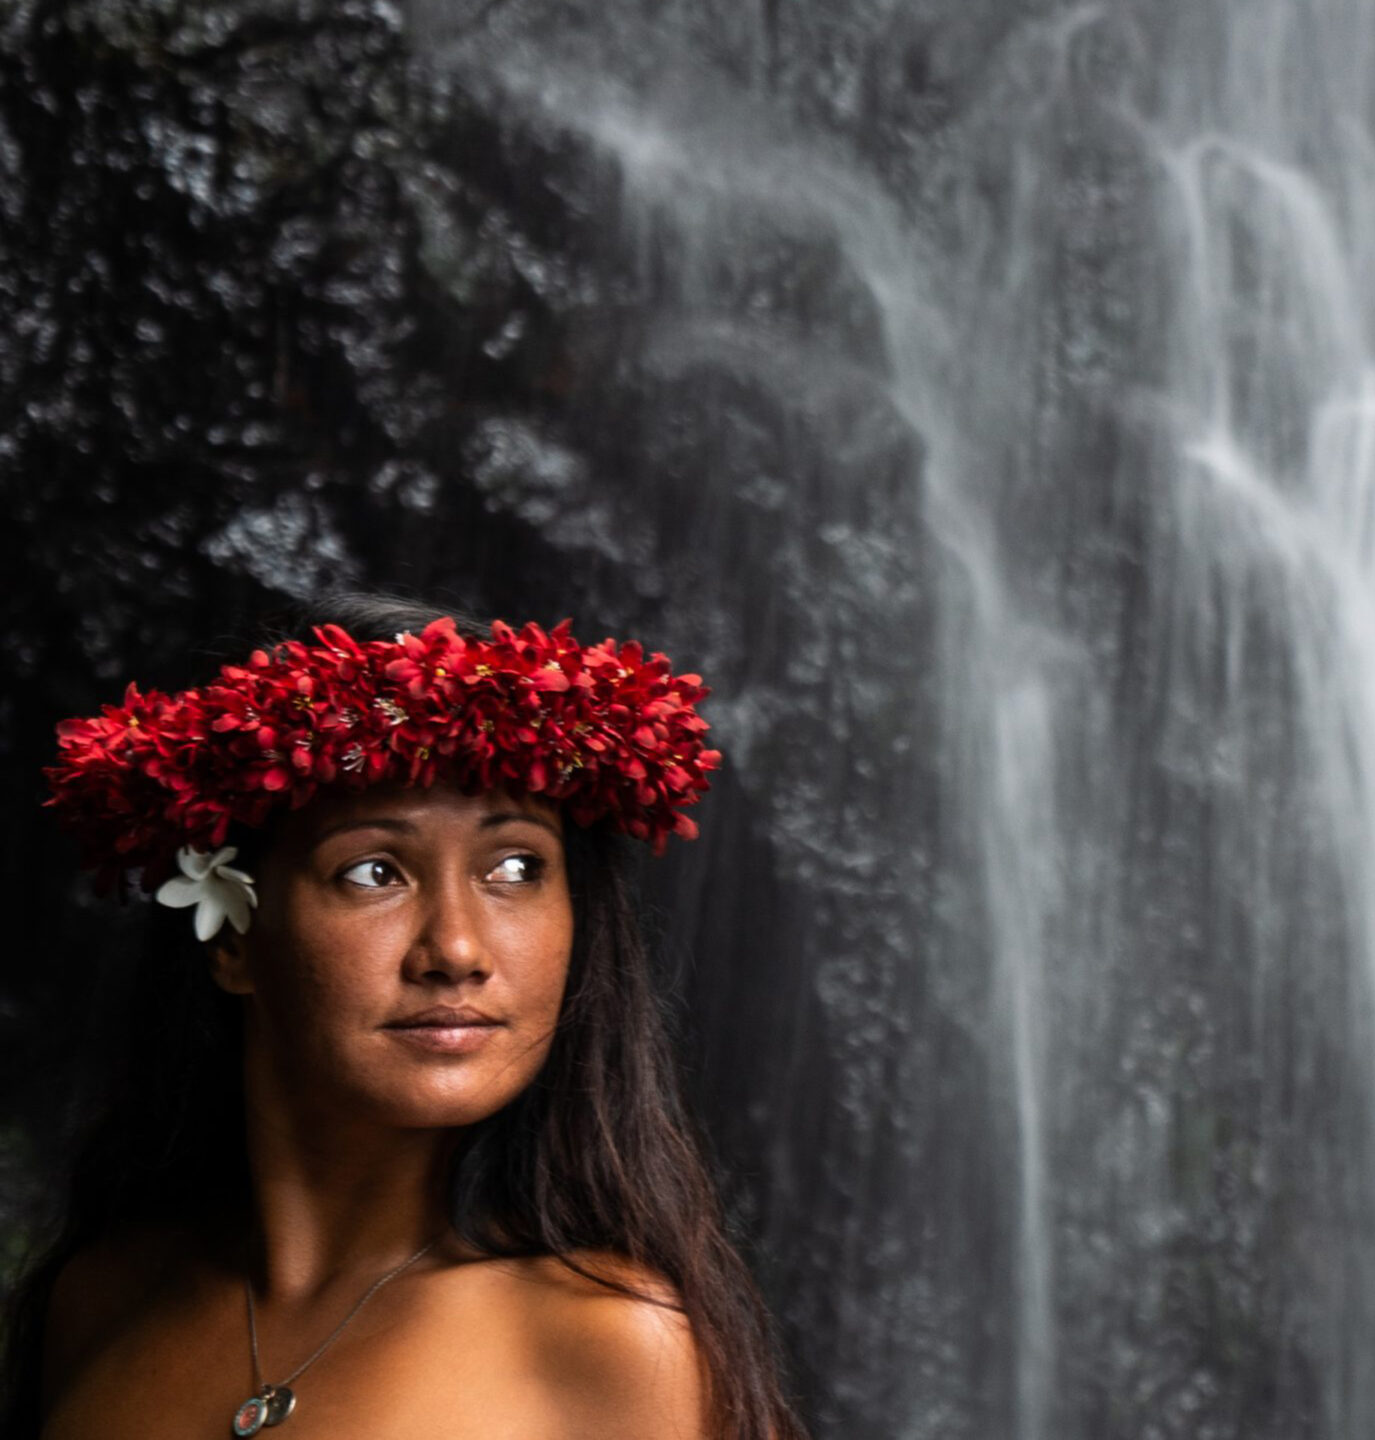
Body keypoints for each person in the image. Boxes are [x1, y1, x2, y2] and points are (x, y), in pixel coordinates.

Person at [1, 594, 805, 1439]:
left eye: (517, 867)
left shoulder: (607, 1347)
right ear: (231, 937)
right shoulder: (103, 1300)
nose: (456, 948)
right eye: (373, 872)